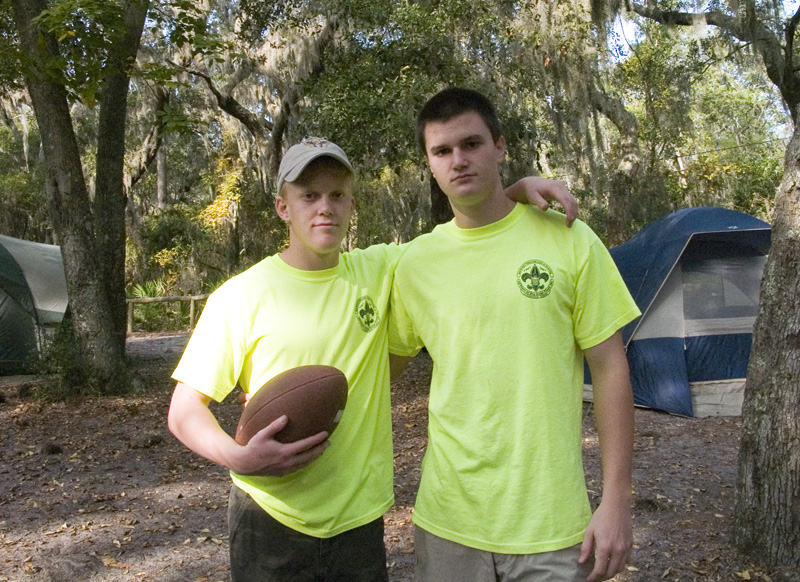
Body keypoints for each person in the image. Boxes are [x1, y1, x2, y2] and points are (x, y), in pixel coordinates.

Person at [167, 136, 579, 582]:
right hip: (271, 517)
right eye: (308, 195)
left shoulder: (380, 269)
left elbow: (461, 231)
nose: (324, 207)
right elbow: (184, 410)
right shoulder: (242, 296)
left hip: (359, 522)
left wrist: (513, 189)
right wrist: (236, 456)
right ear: (283, 207)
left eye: (337, 195)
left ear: (350, 206)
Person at [388, 88, 641, 582]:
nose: (458, 160)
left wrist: (616, 501)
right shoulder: (414, 263)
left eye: (472, 144)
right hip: (448, 526)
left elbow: (611, 369)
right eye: (442, 151)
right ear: (429, 163)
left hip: (551, 527)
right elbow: (377, 370)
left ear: (500, 146)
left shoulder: (568, 236)